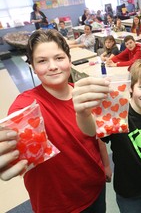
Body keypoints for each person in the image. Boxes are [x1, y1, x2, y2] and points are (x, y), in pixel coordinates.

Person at [0, 29, 109, 213]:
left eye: (59, 58)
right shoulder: (26, 107)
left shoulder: (83, 95)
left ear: (69, 59)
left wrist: (106, 165)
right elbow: (10, 136)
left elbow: (96, 136)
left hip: (95, 189)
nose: (52, 66)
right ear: (33, 67)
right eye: (42, 61)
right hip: (56, 204)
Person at [72, 59, 141, 213]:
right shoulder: (117, 115)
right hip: (128, 192)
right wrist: (84, 114)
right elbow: (91, 132)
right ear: (130, 87)